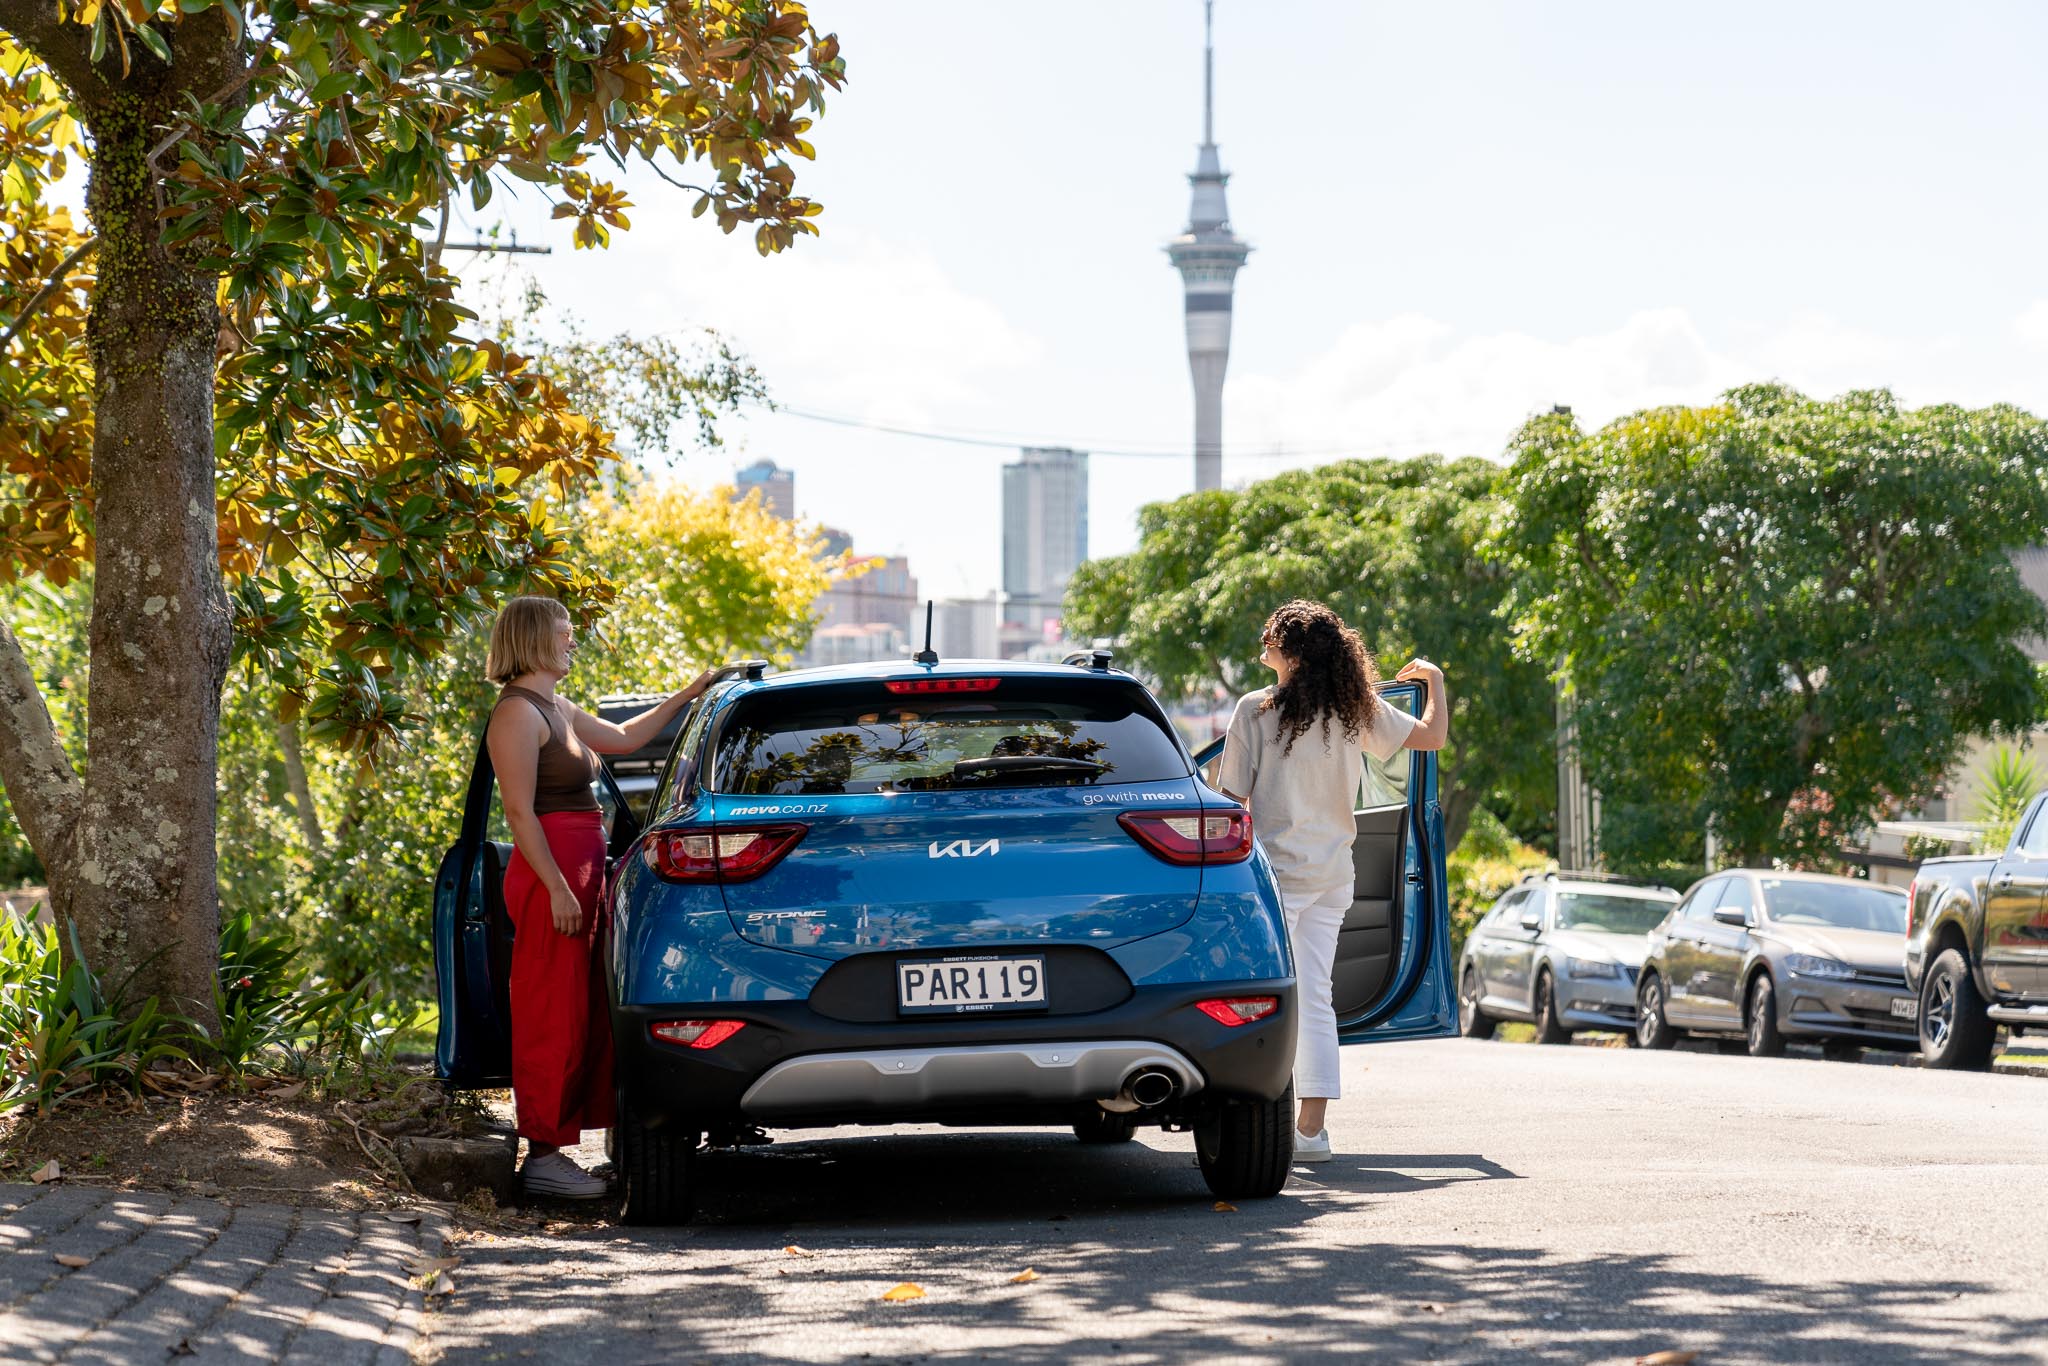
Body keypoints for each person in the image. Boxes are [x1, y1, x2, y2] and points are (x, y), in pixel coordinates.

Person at [484, 595, 720, 1199]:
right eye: (564, 634)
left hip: (579, 870)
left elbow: (622, 737)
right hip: (551, 875)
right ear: (535, 640)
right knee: (549, 1012)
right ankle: (542, 1155)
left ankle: (565, 1144)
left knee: (584, 1010)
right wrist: (559, 888)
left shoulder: (554, 706)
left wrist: (691, 694)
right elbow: (517, 812)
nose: (571, 643)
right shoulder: (516, 713)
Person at [1215, 599, 1448, 1164]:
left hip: (1276, 876)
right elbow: (1431, 737)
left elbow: (1229, 800)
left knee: (1261, 997)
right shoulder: (1354, 709)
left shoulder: (1255, 709)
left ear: (1290, 651)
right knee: (1315, 994)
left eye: (1270, 638)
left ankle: (1261, 1122)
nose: (1263, 647)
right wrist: (1436, 681)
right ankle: (1311, 1133)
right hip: (1333, 874)